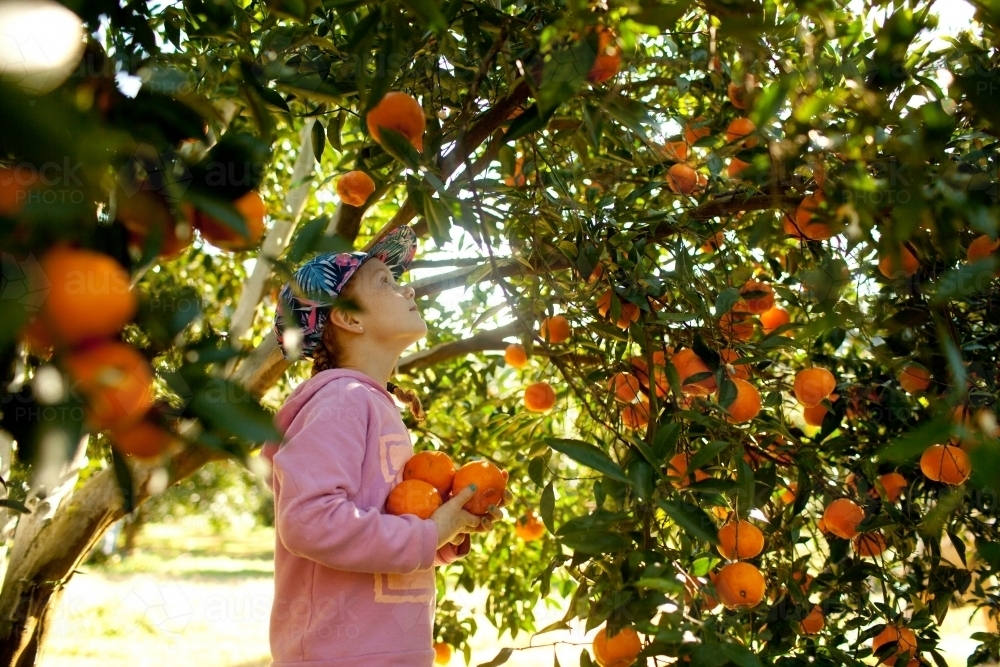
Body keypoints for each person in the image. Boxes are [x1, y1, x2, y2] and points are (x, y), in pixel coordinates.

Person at [260, 226, 509, 667]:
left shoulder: (372, 404)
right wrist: (429, 533)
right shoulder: (341, 401)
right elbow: (309, 521)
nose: (406, 286)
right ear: (349, 318)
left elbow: (383, 524)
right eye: (385, 283)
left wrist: (446, 531)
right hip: (338, 654)